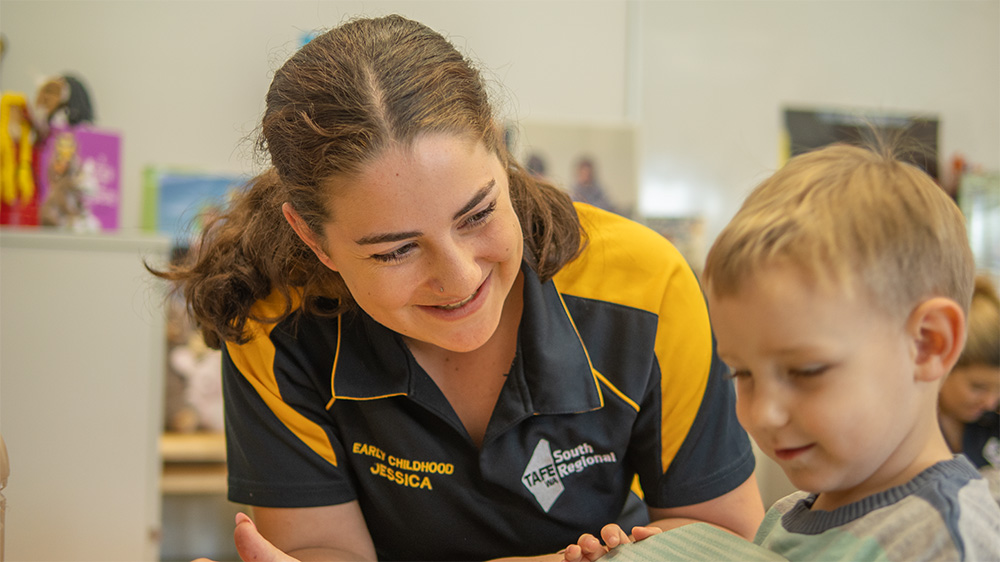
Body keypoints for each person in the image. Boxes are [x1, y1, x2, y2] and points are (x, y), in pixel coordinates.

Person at [152, 15, 763, 562]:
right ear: (315, 240)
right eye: (396, 250)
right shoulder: (273, 321)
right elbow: (319, 547)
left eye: (477, 215)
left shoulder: (644, 285)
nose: (461, 278)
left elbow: (723, 538)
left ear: (500, 149)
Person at [561, 143, 1000, 561]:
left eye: (806, 371)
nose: (763, 414)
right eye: (743, 374)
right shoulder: (790, 514)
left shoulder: (946, 540)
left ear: (928, 344)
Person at [938, 275, 1000, 502]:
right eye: (978, 387)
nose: (990, 402)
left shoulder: (994, 421)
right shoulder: (905, 432)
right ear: (943, 364)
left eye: (999, 390)